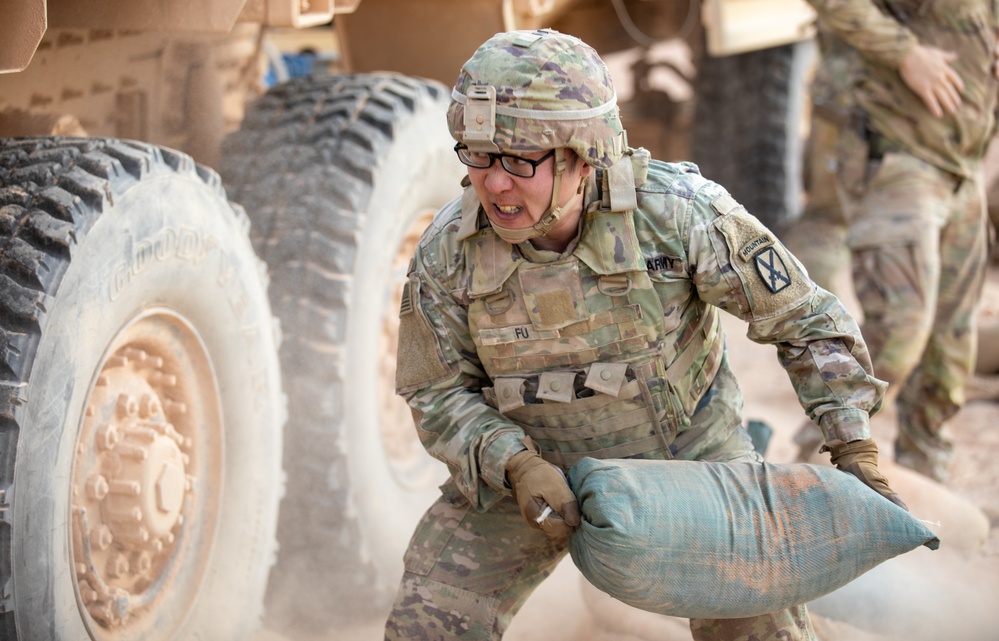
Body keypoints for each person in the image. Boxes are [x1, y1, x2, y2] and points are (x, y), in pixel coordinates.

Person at [387, 29, 904, 641]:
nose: (494, 183)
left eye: (519, 161)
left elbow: (808, 322)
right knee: (429, 622)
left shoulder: (677, 215)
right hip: (528, 472)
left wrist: (853, 448)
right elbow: (436, 393)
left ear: (582, 156)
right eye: (476, 155)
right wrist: (516, 465)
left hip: (688, 457)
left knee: (758, 626)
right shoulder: (450, 252)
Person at [799, 0, 999, 481]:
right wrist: (906, 52)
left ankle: (927, 470)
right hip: (899, 156)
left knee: (950, 345)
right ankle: (818, 457)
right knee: (900, 330)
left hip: (963, 164)